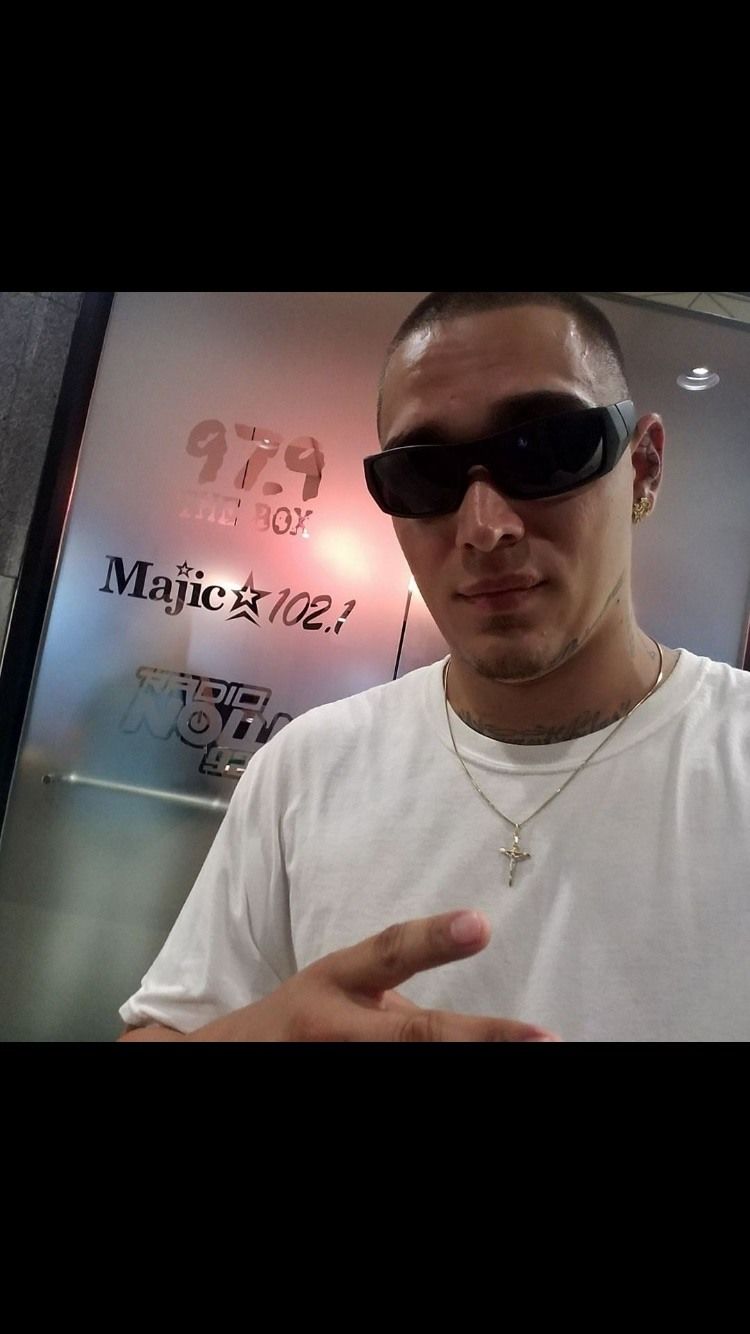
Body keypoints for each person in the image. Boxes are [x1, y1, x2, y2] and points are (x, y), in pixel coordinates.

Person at [119, 292, 750, 1043]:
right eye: (423, 475)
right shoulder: (306, 768)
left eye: (544, 449)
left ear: (643, 468)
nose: (484, 527)